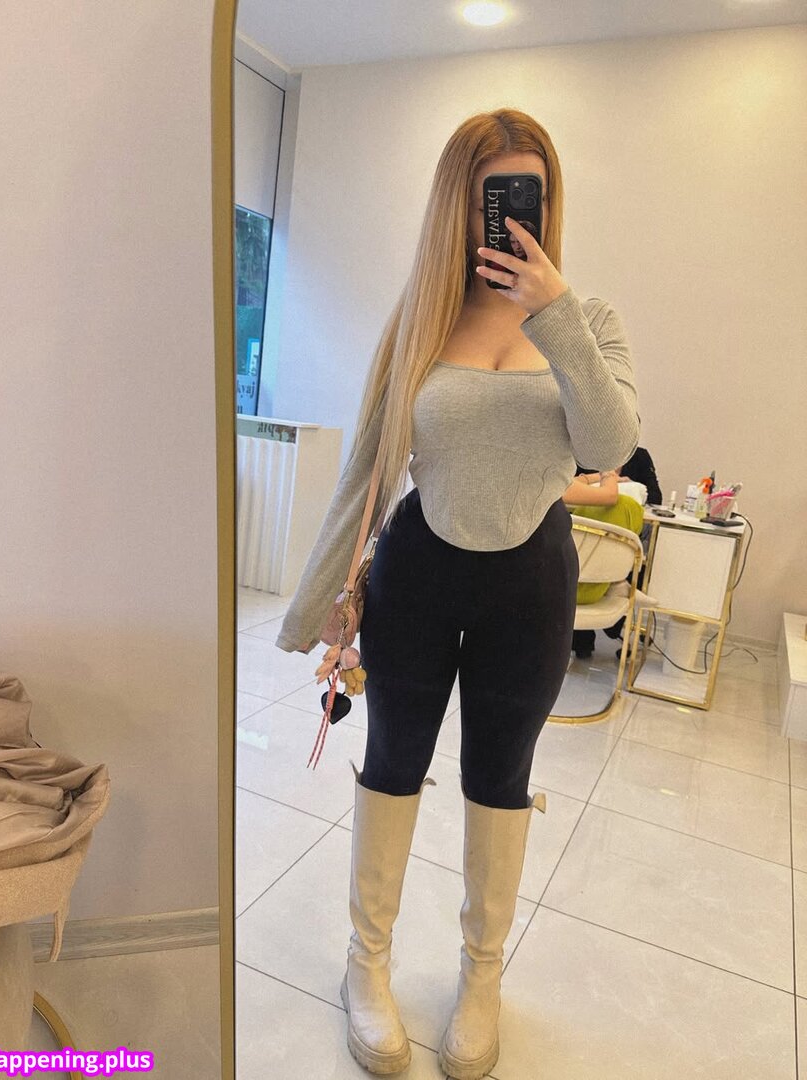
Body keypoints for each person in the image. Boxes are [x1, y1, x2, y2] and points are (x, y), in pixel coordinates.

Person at [275, 108, 639, 1079]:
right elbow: (367, 467)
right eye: (491, 198)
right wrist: (313, 607)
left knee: (500, 776)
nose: (510, 216)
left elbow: (607, 446)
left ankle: (482, 982)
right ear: (457, 207)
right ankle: (367, 968)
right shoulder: (421, 321)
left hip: (532, 580)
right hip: (419, 572)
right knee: (392, 763)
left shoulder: (590, 321)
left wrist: (553, 309)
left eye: (529, 196)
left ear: (550, 204)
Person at [562, 469, 645, 658]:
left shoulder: (548, 481)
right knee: (624, 507)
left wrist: (601, 476)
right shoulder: (626, 504)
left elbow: (566, 484)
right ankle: (618, 582)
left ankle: (617, 583)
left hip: (560, 579)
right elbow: (609, 496)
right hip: (578, 591)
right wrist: (609, 475)